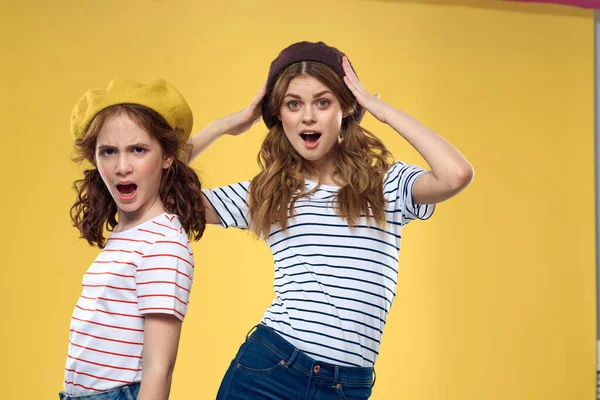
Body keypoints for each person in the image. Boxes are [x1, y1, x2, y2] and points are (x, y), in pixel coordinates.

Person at [188, 41, 473, 400]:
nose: (308, 117)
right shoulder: (269, 191)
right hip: (270, 370)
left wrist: (381, 110)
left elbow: (456, 174)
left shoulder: (385, 184)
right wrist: (225, 125)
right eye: (294, 104)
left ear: (346, 109)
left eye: (323, 102)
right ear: (280, 116)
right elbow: (162, 193)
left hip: (347, 387)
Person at [61, 79, 205, 400]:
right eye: (109, 151)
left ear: (168, 157)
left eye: (138, 150)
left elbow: (159, 368)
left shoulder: (162, 245)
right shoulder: (130, 233)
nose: (122, 167)